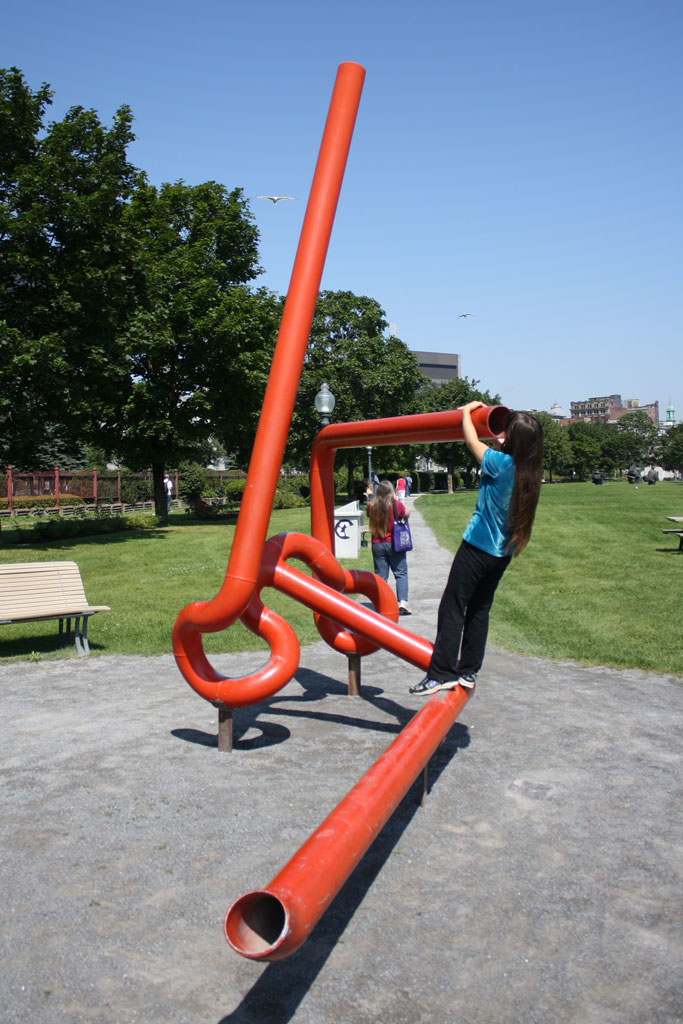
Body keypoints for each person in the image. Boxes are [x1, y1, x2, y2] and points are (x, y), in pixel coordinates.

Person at [410, 402, 543, 697]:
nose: (500, 437)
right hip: (501, 554)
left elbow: (471, 441)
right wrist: (504, 438)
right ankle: (468, 670)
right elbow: (500, 447)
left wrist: (465, 412)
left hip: (477, 546)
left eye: (506, 434)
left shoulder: (500, 463)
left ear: (513, 441)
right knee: (479, 609)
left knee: (452, 606)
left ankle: (441, 673)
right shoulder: (529, 471)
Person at [368, 480, 412, 615]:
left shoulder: (371, 505)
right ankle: (402, 602)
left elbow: (369, 515)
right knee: (400, 573)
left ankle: (381, 603)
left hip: (377, 543)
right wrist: (396, 499)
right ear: (391, 492)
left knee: (381, 576)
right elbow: (406, 513)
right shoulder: (396, 504)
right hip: (394, 543)